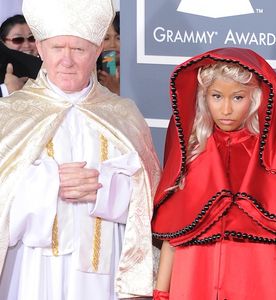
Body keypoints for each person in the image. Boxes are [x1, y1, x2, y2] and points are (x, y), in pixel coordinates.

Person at [0, 0, 160, 299]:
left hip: (104, 271)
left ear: (98, 49)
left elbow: (152, 195)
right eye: (58, 48)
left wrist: (107, 190)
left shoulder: (124, 115)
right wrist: (49, 184)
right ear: (41, 48)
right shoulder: (9, 115)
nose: (67, 60)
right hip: (31, 268)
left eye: (79, 49)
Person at [151, 47, 276, 299]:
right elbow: (174, 233)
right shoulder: (192, 154)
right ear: (204, 97)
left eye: (238, 98)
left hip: (261, 279)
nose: (226, 109)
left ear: (255, 98)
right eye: (217, 96)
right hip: (195, 276)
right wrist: (161, 293)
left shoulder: (271, 161)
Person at [0, 14, 40, 96]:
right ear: (2, 43)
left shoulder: (50, 70)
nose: (27, 45)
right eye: (18, 40)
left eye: (32, 38)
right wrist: (6, 90)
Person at [97, 11, 120, 95]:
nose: (112, 45)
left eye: (119, 38)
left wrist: (115, 91)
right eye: (106, 38)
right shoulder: (89, 73)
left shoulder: (140, 72)